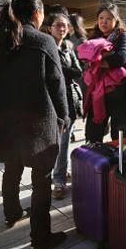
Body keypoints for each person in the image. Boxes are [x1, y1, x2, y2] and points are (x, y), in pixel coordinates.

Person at [0, 0, 69, 249]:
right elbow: (57, 85)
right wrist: (65, 117)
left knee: (12, 169)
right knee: (41, 177)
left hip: (8, 118)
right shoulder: (44, 41)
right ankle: (40, 237)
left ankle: (11, 213)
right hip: (39, 120)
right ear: (37, 14)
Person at [82, 3, 126, 143]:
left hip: (119, 94)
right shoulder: (94, 38)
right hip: (98, 93)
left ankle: (119, 164)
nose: (104, 22)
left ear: (116, 20)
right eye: (101, 18)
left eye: (108, 18)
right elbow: (85, 60)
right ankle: (94, 162)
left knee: (118, 136)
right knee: (93, 134)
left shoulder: (122, 36)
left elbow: (122, 57)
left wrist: (98, 62)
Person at [48, 13, 83, 201]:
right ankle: (58, 179)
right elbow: (49, 76)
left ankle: (62, 173)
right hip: (52, 102)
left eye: (65, 25)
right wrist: (64, 73)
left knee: (65, 141)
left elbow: (78, 71)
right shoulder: (46, 46)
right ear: (49, 28)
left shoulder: (69, 46)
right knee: (59, 143)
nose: (62, 28)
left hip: (70, 99)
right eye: (58, 25)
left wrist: (62, 73)